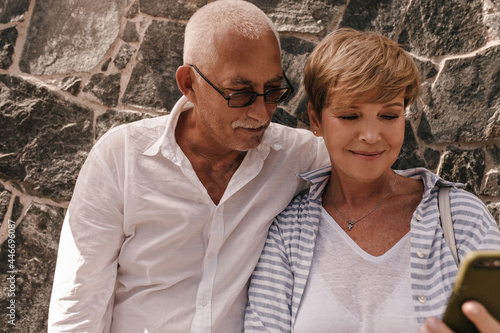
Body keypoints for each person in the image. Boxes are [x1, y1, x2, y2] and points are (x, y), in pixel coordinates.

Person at [47, 1, 329, 332]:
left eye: (272, 90)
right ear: (189, 84)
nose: (262, 113)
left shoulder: (298, 157)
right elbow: (79, 302)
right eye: (240, 94)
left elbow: (365, 158)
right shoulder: (120, 158)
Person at [244, 28, 500, 332]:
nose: (371, 136)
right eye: (350, 116)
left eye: (389, 116)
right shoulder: (288, 232)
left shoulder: (460, 220)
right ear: (316, 119)